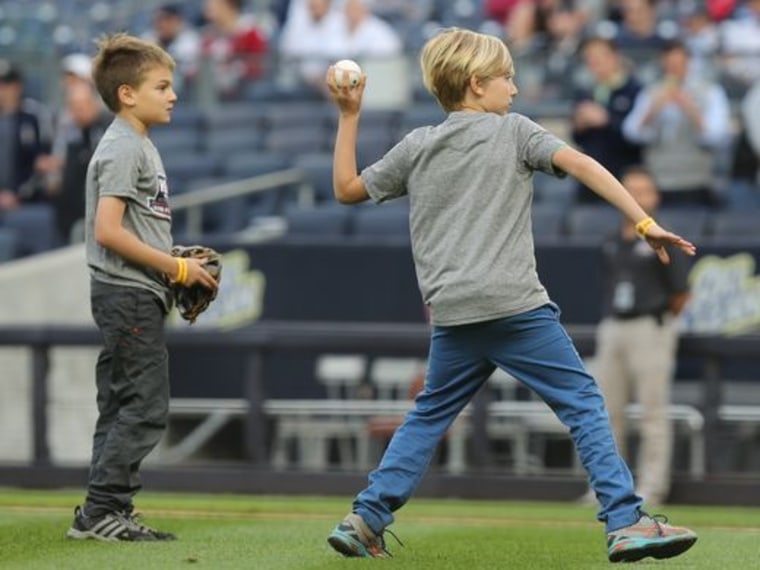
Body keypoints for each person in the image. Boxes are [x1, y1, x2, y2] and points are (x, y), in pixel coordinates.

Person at [323, 27, 698, 563]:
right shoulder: (515, 131)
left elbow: (345, 189)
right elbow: (585, 165)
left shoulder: (418, 144)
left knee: (428, 414)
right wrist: (642, 221)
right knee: (585, 404)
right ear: (477, 84)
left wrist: (348, 114)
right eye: (507, 78)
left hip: (452, 313)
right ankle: (626, 521)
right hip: (515, 307)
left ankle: (365, 517)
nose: (515, 89)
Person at [66, 33, 218, 542]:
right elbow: (107, 230)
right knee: (146, 405)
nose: (173, 94)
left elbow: (131, 226)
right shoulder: (125, 147)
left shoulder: (137, 143)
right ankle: (104, 509)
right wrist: (174, 271)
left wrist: (171, 259)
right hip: (126, 292)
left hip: (129, 290)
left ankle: (101, 511)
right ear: (127, 94)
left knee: (120, 403)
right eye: (162, 86)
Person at [593, 166, 691, 506]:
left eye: (642, 191)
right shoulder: (609, 240)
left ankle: (653, 487)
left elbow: (681, 292)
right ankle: (608, 489)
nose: (635, 197)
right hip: (613, 326)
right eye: (628, 189)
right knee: (606, 413)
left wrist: (661, 322)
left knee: (652, 412)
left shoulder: (663, 238)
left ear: (655, 197)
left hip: (650, 325)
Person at [622, 39, 731, 207]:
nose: (674, 69)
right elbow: (631, 133)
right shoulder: (651, 92)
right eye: (669, 64)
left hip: (695, 181)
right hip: (657, 181)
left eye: (678, 64)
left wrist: (691, 110)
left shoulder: (709, 91)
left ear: (688, 62)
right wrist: (652, 111)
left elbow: (717, 136)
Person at [571, 36, 642, 202]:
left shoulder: (634, 89)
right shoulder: (587, 91)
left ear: (615, 56)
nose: (595, 63)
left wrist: (607, 120)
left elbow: (638, 135)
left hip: (623, 174)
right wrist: (579, 125)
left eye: (600, 57)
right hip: (591, 175)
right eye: (590, 58)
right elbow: (577, 137)